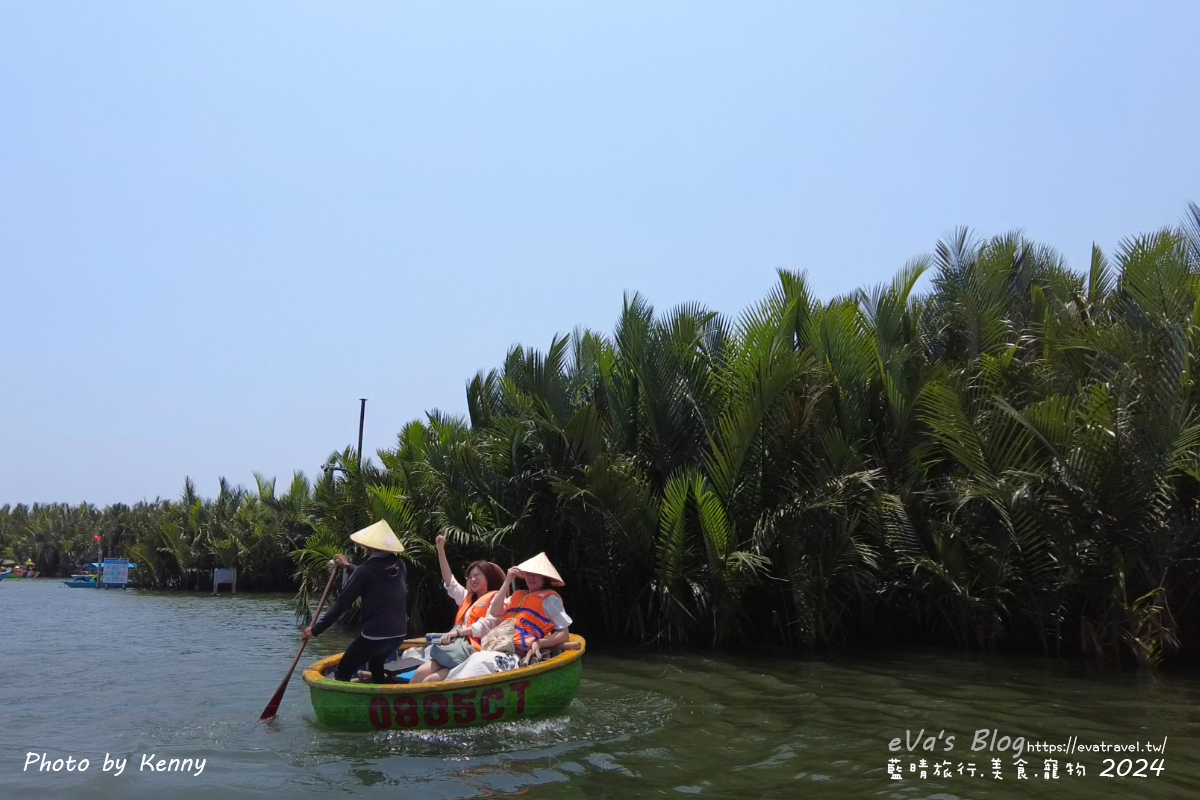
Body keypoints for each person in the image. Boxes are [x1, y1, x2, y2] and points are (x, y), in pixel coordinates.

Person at [302, 520, 408, 684]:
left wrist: (315, 630)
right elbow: (372, 575)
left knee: (343, 671)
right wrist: (347, 566)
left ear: (368, 547)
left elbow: (341, 605)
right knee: (376, 662)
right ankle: (379, 697)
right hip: (399, 634)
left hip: (375, 636)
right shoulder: (399, 565)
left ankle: (348, 704)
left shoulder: (366, 571)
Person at [446, 552, 572, 681]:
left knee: (480, 664)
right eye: (528, 574)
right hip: (497, 647)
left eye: (535, 575)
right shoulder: (517, 595)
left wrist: (539, 643)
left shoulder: (550, 599)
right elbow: (495, 611)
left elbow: (564, 634)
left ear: (544, 577)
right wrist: (507, 581)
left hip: (517, 653)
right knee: (471, 662)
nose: (530, 578)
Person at [410, 531, 505, 682]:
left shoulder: (496, 600)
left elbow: (486, 625)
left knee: (430, 681)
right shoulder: (466, 597)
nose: (472, 579)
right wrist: (440, 550)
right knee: (420, 674)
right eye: (470, 576)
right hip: (453, 646)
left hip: (470, 648)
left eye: (477, 576)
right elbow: (450, 581)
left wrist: (458, 633)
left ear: (488, 577)